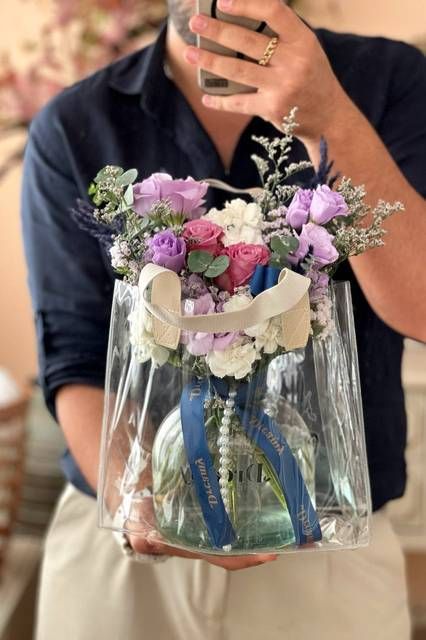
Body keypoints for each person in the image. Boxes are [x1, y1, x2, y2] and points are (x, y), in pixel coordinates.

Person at [22, 0, 426, 638]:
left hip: (325, 542)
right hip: (125, 552)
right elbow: (75, 355)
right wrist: (140, 502)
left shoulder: (391, 82)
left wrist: (331, 119)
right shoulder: (77, 122)